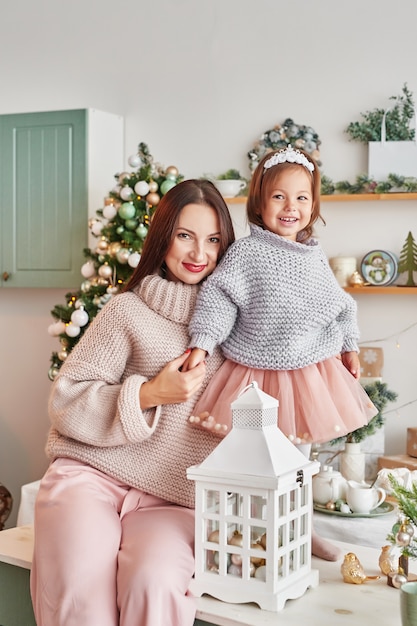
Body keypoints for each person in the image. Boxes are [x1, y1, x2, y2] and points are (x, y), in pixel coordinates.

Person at [30, 179, 236, 626]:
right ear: (162, 237)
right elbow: (65, 401)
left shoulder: (240, 333)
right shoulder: (126, 311)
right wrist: (150, 394)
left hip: (173, 500)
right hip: (90, 477)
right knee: (81, 585)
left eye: (213, 239)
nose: (199, 252)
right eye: (185, 235)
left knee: (155, 584)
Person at [184, 146, 377, 561]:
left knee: (299, 465)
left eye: (302, 197)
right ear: (259, 202)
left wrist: (350, 345)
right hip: (254, 374)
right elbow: (218, 299)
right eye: (279, 197)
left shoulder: (314, 256)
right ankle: (246, 536)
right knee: (251, 462)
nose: (291, 207)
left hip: (309, 374)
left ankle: (300, 530)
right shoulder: (247, 254)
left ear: (313, 204)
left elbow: (339, 306)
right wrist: (202, 343)